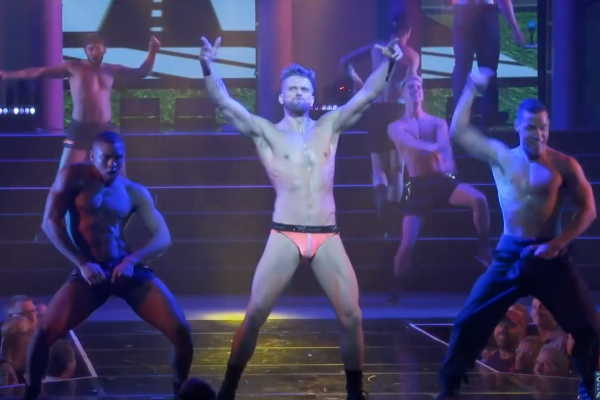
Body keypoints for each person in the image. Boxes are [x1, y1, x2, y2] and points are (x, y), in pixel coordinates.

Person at [200, 35, 402, 400]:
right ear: (281, 96)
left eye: (304, 88)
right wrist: (207, 66)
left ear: (312, 97)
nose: (298, 93)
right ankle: (227, 389)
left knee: (352, 316)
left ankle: (355, 392)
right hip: (286, 233)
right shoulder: (266, 132)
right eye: (292, 88)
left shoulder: (330, 126)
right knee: (255, 313)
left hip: (327, 234)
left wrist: (387, 63)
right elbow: (222, 101)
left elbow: (368, 95)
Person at [436, 70, 600, 400]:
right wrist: (471, 88)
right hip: (510, 253)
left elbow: (588, 210)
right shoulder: (501, 157)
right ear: (518, 127)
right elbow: (458, 131)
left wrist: (557, 244)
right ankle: (448, 391)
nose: (539, 135)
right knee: (468, 322)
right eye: (531, 128)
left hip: (550, 257)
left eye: (544, 128)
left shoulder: (563, 165)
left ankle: (593, 390)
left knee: (589, 328)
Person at [23, 131, 193, 400]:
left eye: (118, 158)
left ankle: (181, 392)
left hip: (122, 268)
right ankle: (30, 395)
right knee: (43, 334)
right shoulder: (73, 177)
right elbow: (49, 222)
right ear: (93, 156)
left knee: (182, 332)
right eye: (107, 157)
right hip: (90, 271)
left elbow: (163, 237)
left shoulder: (133, 190)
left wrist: (132, 260)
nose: (113, 163)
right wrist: (82, 263)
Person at [0, 33, 160, 241]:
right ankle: (47, 227)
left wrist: (152, 52)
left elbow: (141, 72)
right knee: (63, 177)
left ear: (104, 50)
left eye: (98, 48)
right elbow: (39, 72)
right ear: (86, 51)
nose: (94, 52)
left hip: (105, 129)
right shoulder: (73, 68)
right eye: (90, 48)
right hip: (80, 130)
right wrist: (7, 75)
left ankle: (128, 227)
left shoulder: (112, 70)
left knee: (121, 179)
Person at [386, 74, 491, 304]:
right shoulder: (395, 127)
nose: (415, 90)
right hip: (419, 187)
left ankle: (484, 247)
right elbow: (411, 144)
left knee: (479, 199)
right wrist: (434, 147)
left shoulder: (436, 123)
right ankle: (396, 285)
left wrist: (446, 163)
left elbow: (445, 148)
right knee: (407, 243)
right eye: (410, 87)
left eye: (418, 87)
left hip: (442, 182)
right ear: (402, 94)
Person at [340, 19, 418, 237]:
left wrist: (355, 78)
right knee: (397, 169)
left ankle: (384, 216)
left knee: (378, 169)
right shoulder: (410, 54)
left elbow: (345, 61)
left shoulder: (375, 48)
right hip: (397, 112)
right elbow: (413, 83)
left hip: (376, 111)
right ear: (408, 31)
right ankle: (393, 222)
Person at [451, 0, 524, 126]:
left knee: (466, 68)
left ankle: (470, 115)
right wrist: (515, 28)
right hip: (477, 13)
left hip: (471, 13)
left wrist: (515, 27)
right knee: (476, 68)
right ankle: (487, 115)